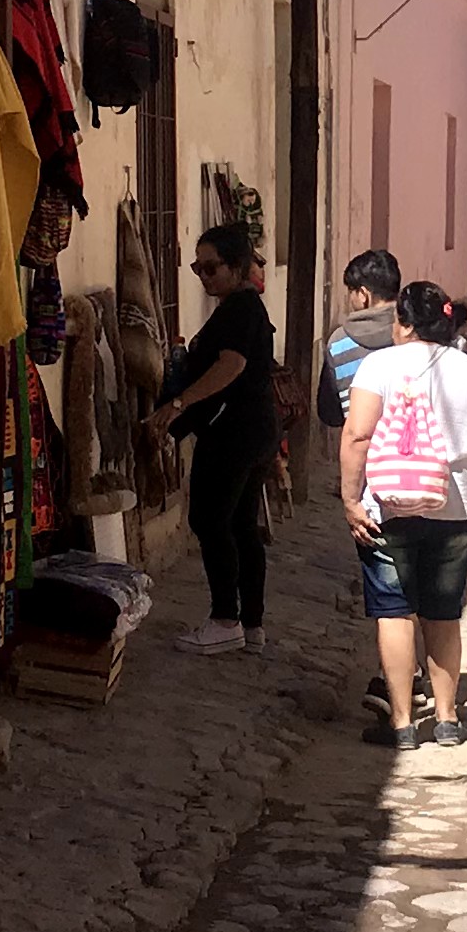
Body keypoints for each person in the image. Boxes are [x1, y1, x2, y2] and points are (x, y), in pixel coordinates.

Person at [340, 279, 467, 749]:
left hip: (386, 508)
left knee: (395, 613)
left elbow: (357, 435)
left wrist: (351, 499)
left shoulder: (378, 365)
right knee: (443, 614)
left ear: (405, 322)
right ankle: (447, 718)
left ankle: (401, 724)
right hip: (456, 506)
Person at [155, 225, 281, 654]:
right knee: (241, 523)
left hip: (235, 432)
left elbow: (230, 365)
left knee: (210, 520)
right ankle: (251, 623)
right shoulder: (241, 308)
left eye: (211, 268)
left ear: (237, 267)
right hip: (254, 429)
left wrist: (180, 403)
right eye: (197, 268)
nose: (203, 277)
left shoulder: (239, 311)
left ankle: (226, 617)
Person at [317, 247, 402, 434]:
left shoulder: (339, 342)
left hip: (364, 452)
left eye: (351, 291)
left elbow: (329, 413)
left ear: (364, 295)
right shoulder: (413, 333)